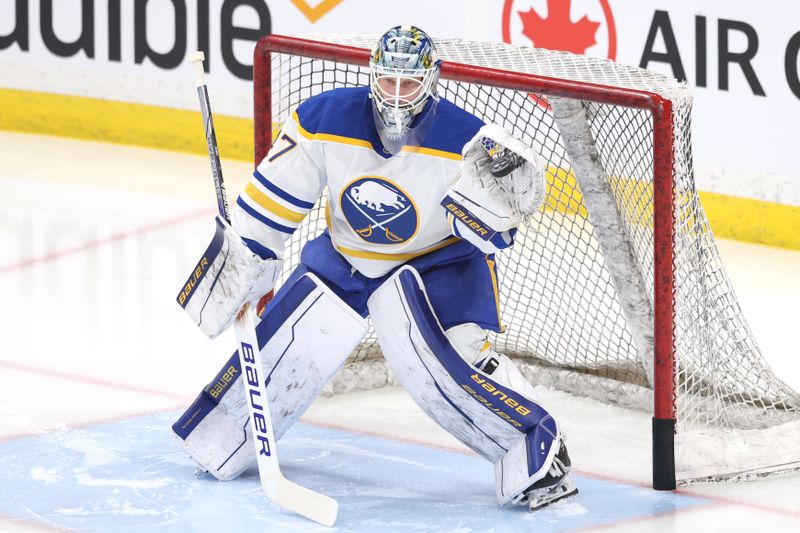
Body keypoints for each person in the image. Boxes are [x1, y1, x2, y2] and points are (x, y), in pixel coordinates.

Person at [173, 25, 577, 511]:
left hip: (439, 264)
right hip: (349, 257)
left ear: (432, 80)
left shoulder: (469, 142)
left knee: (456, 359)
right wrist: (244, 263)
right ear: (373, 77)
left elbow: (492, 234)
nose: (398, 95)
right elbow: (268, 208)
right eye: (389, 82)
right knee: (286, 342)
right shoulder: (324, 118)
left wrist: (511, 202)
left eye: (409, 84)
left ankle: (537, 450)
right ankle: (224, 435)